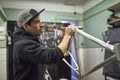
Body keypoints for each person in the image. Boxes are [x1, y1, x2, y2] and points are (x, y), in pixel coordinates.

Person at [13, 8, 76, 80]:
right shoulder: (23, 45)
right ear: (26, 26)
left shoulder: (31, 40)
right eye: (36, 22)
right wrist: (67, 35)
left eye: (40, 21)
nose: (41, 25)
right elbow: (54, 55)